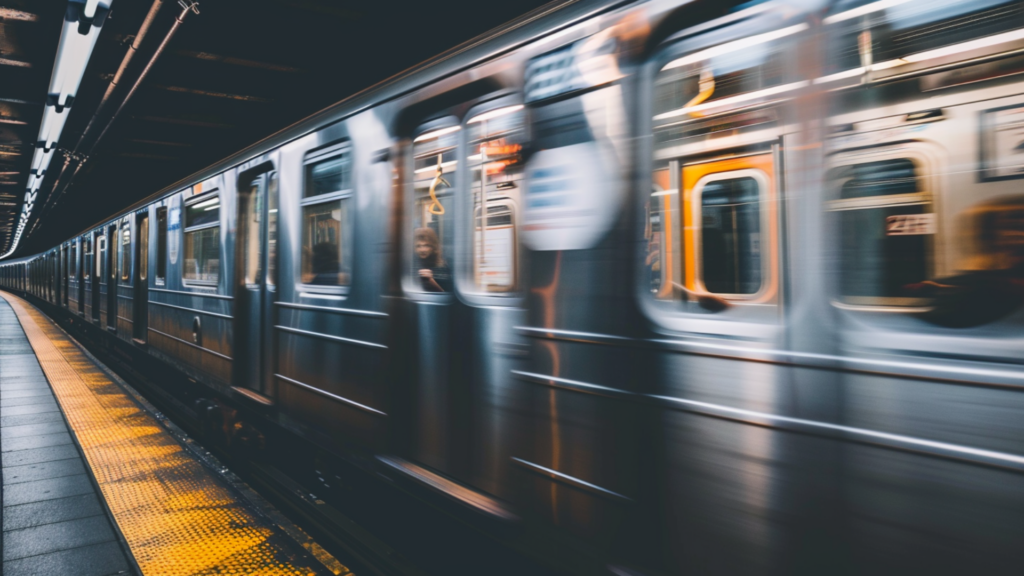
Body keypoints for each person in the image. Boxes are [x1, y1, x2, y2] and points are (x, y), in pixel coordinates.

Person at [414, 227, 452, 292]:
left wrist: (430, 280)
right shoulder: (413, 264)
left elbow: (446, 294)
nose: (422, 250)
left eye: (426, 245)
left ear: (433, 247)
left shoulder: (442, 266)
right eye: (418, 246)